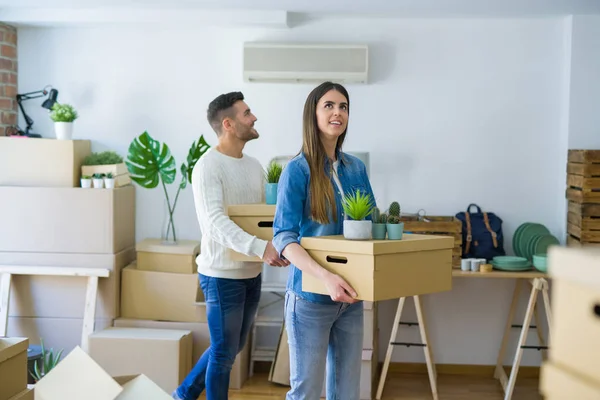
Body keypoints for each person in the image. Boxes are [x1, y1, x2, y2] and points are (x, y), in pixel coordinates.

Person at [173, 91, 289, 400]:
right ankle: (184, 394)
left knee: (231, 346)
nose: (254, 118)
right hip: (222, 274)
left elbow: (264, 216)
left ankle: (183, 394)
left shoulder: (253, 166)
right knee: (224, 352)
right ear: (228, 123)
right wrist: (261, 247)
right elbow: (214, 222)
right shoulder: (208, 167)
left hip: (250, 271)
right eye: (247, 113)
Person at [272, 81, 376, 400]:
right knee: (306, 392)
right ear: (313, 114)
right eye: (328, 105)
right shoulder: (297, 170)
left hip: (351, 298)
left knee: (346, 393)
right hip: (310, 299)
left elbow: (368, 225)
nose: (337, 112)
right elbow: (284, 239)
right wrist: (327, 277)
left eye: (343, 106)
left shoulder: (355, 168)